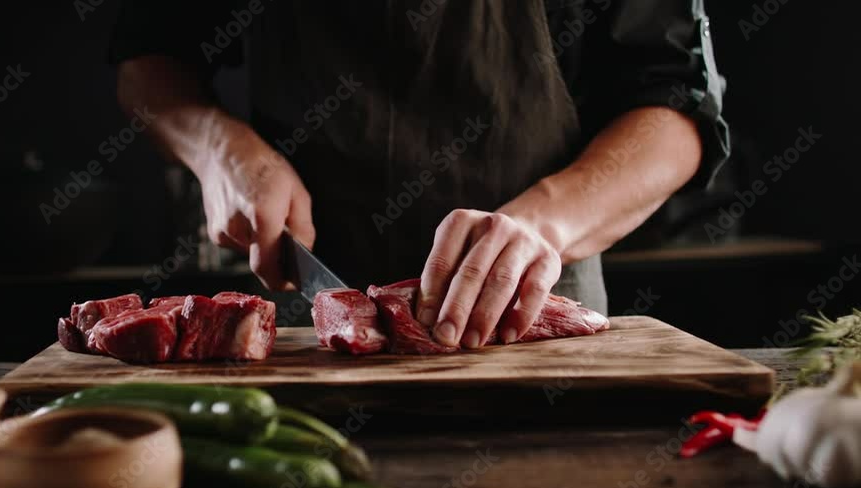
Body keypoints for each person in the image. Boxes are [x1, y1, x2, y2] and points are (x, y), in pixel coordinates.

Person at [111, 1, 728, 349]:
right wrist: (221, 151)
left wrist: (547, 219)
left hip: (530, 320)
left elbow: (677, 109)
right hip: (309, 321)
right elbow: (148, 59)